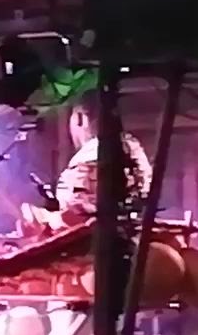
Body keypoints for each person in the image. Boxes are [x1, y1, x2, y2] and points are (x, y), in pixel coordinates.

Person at [20, 97, 153, 237]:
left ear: (79, 118)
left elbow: (81, 220)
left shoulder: (90, 158)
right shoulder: (132, 148)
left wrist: (44, 218)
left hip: (96, 241)